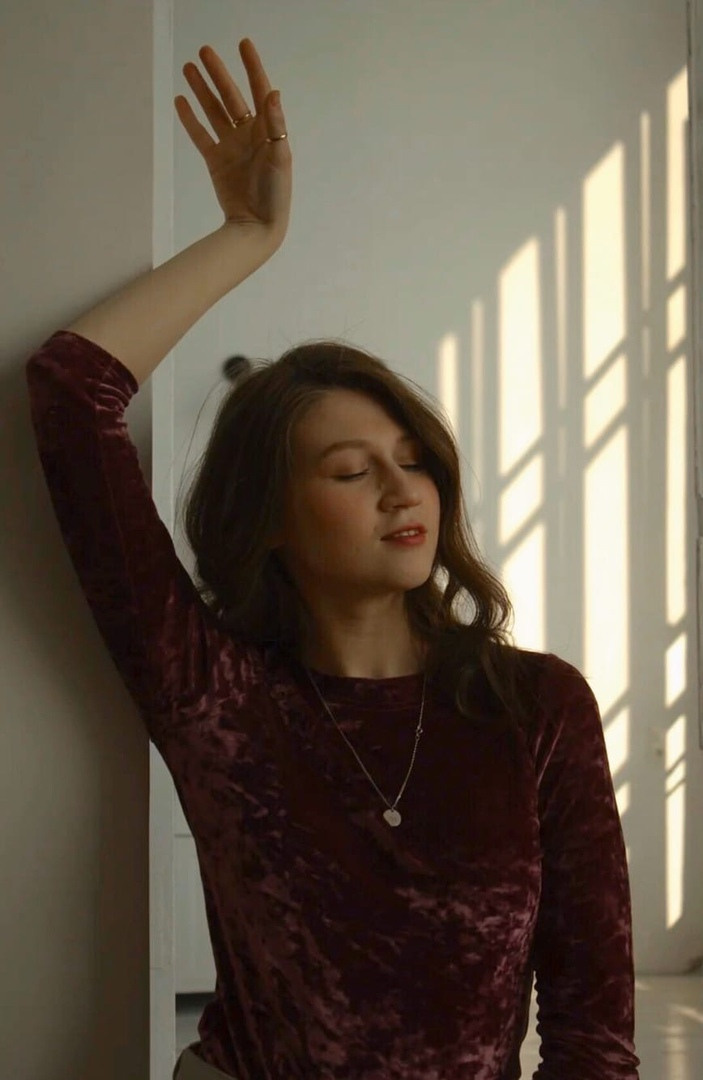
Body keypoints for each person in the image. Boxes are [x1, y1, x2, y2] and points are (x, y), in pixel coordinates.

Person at [24, 36, 640, 1080]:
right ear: (269, 517)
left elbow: (593, 1031)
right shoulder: (214, 690)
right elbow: (70, 389)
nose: (404, 491)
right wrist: (249, 235)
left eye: (414, 460)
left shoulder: (536, 708)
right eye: (351, 471)